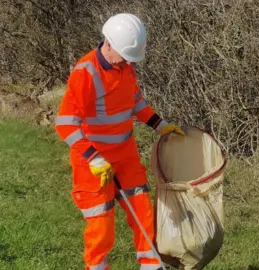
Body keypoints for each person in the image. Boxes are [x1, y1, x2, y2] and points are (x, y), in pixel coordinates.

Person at [55, 13, 184, 269]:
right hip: (93, 164)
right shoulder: (86, 72)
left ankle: (151, 264)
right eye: (125, 56)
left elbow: (135, 101)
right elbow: (65, 124)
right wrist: (94, 158)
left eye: (131, 58)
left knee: (144, 215)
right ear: (109, 43)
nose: (128, 62)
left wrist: (160, 125)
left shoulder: (124, 67)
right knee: (101, 226)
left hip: (125, 157)